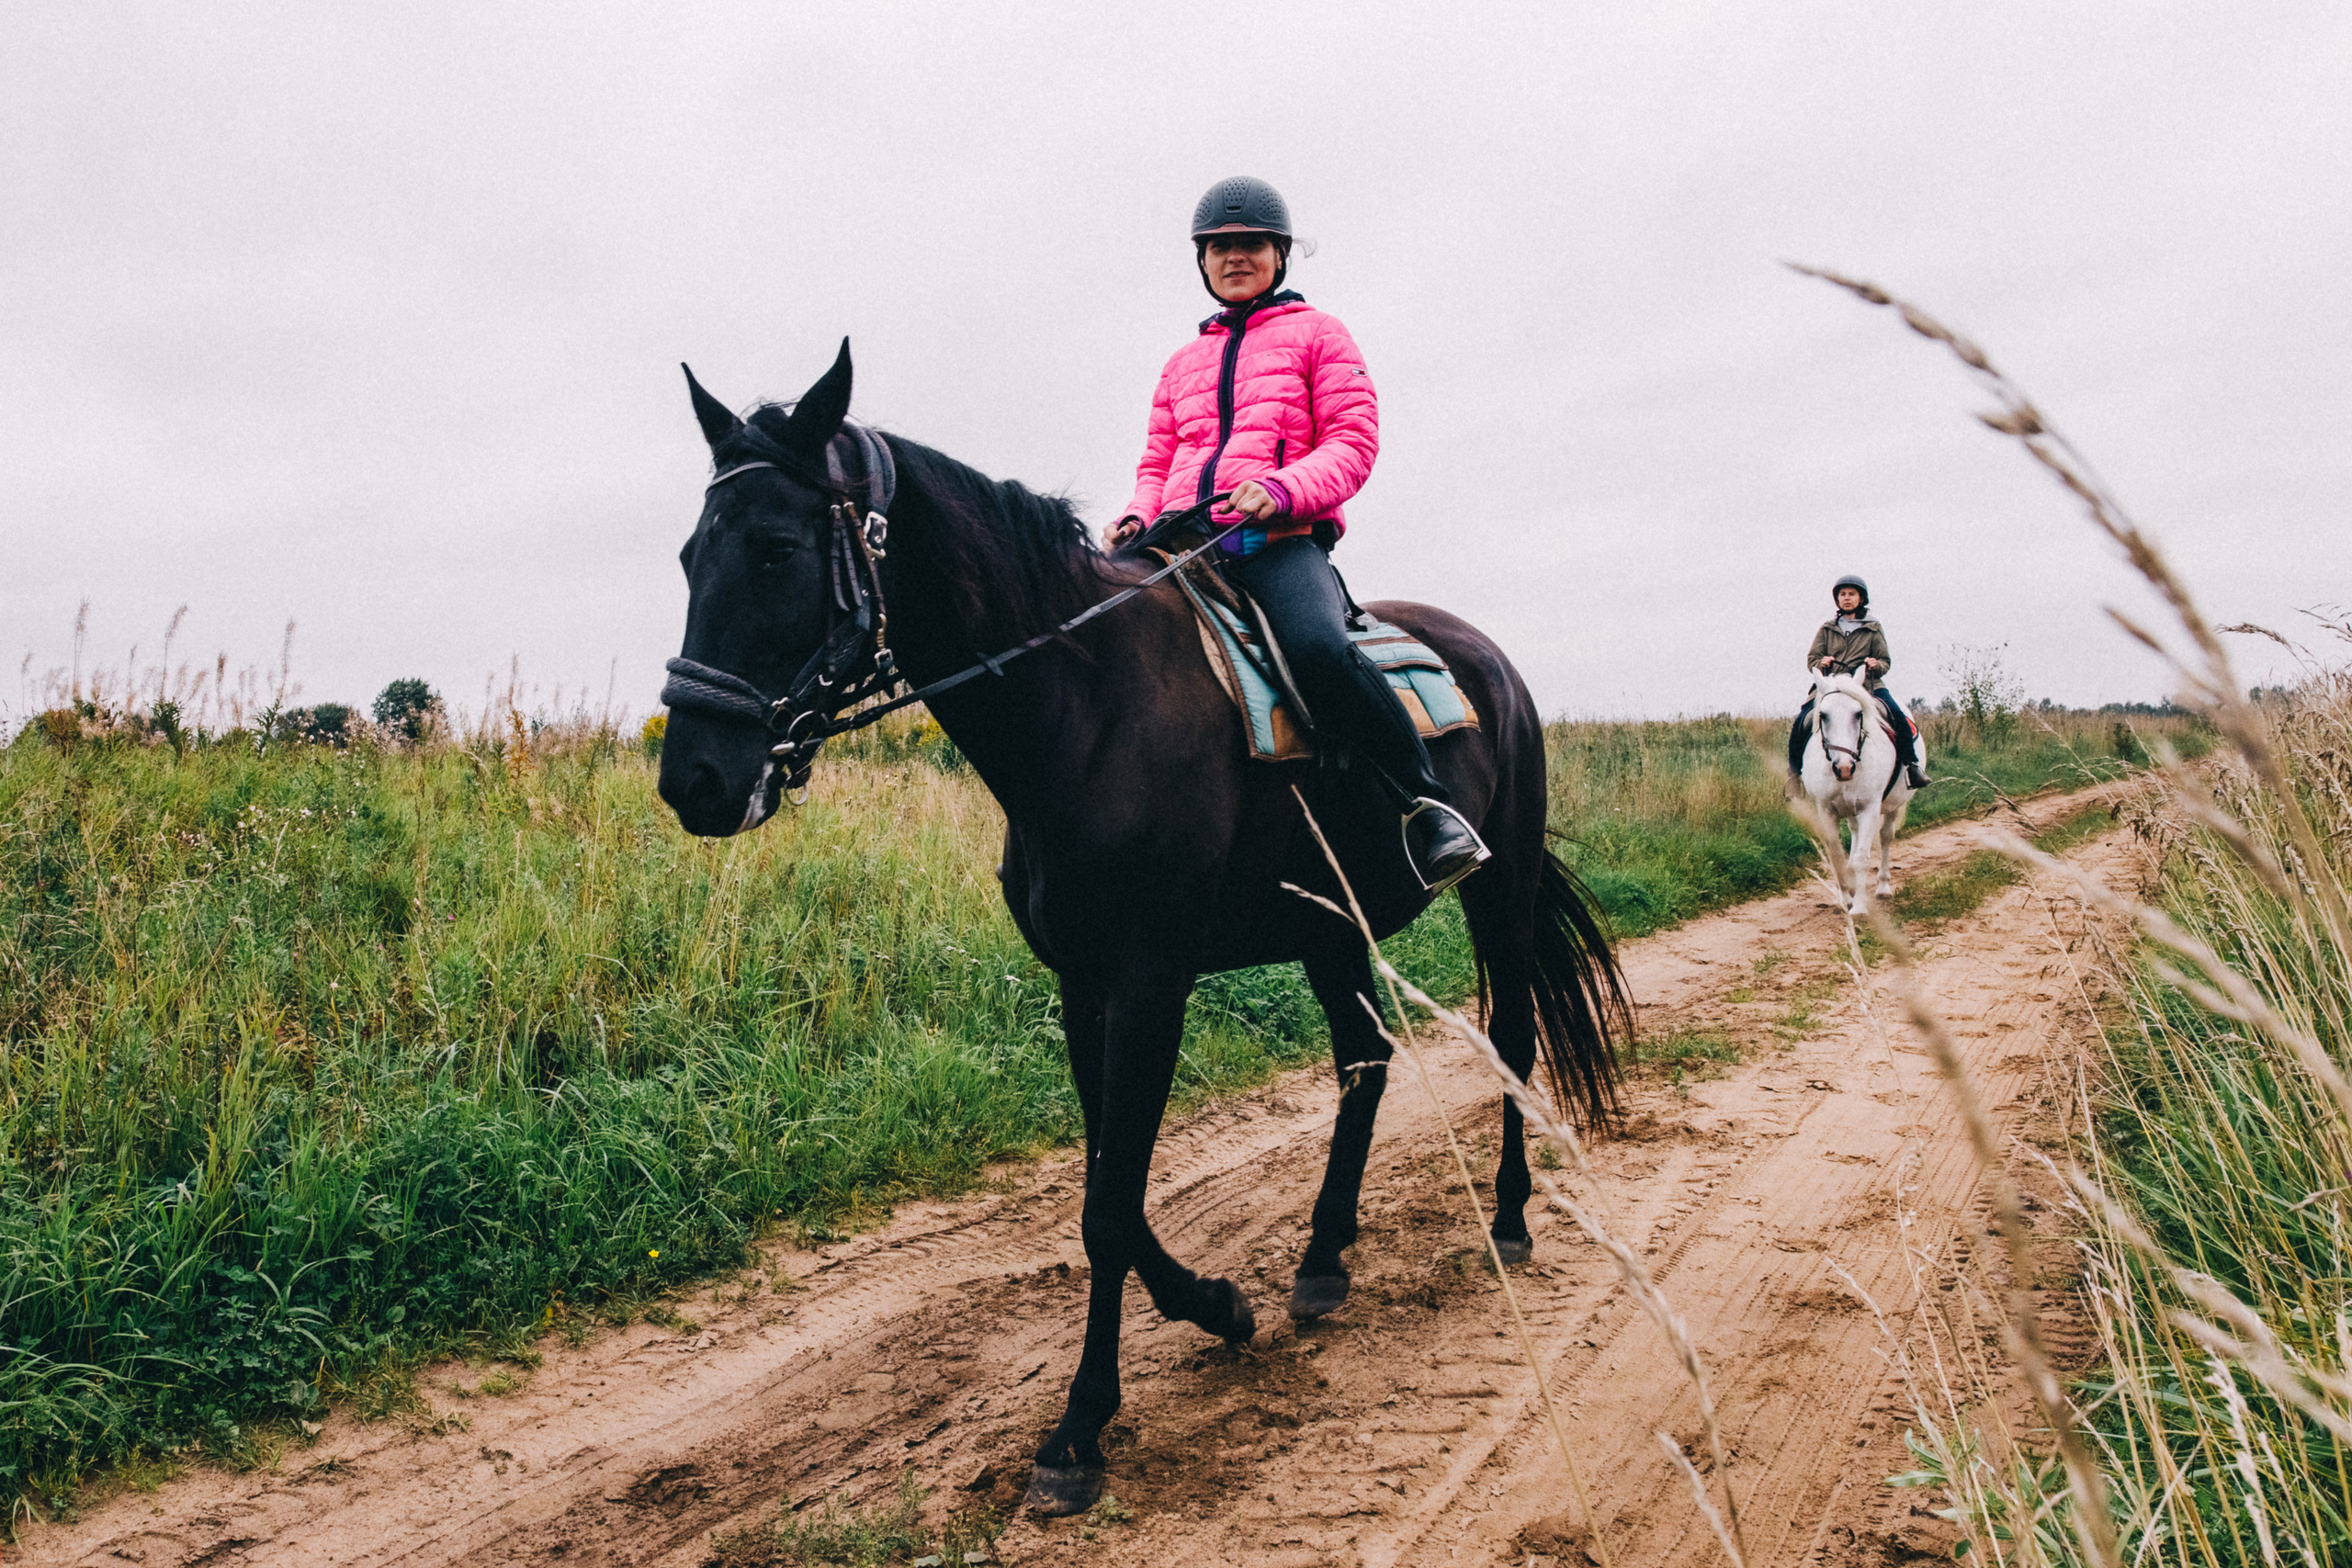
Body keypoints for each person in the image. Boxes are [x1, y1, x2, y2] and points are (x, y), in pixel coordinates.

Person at [1105, 175, 1488, 893]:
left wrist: (1281, 491)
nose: (1234, 257)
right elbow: (1159, 461)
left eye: (1250, 244)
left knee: (1317, 649)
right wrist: (1137, 514)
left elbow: (1352, 441)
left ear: (1280, 253)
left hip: (1276, 544)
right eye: (1219, 247)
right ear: (1202, 261)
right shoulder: (1181, 363)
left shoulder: (1319, 335)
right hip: (1178, 548)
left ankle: (1427, 804)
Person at [1789, 574, 1928, 789]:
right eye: (1842, 594)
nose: (1847, 598)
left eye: (1852, 594)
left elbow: (1885, 661)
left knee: (1897, 715)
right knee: (1801, 721)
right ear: (1837, 600)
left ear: (1861, 599)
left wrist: (1875, 665)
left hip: (1866, 685)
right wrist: (1821, 661)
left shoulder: (1873, 628)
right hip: (1832, 685)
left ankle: (1912, 766)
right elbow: (1812, 660)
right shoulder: (1827, 628)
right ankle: (1794, 776)